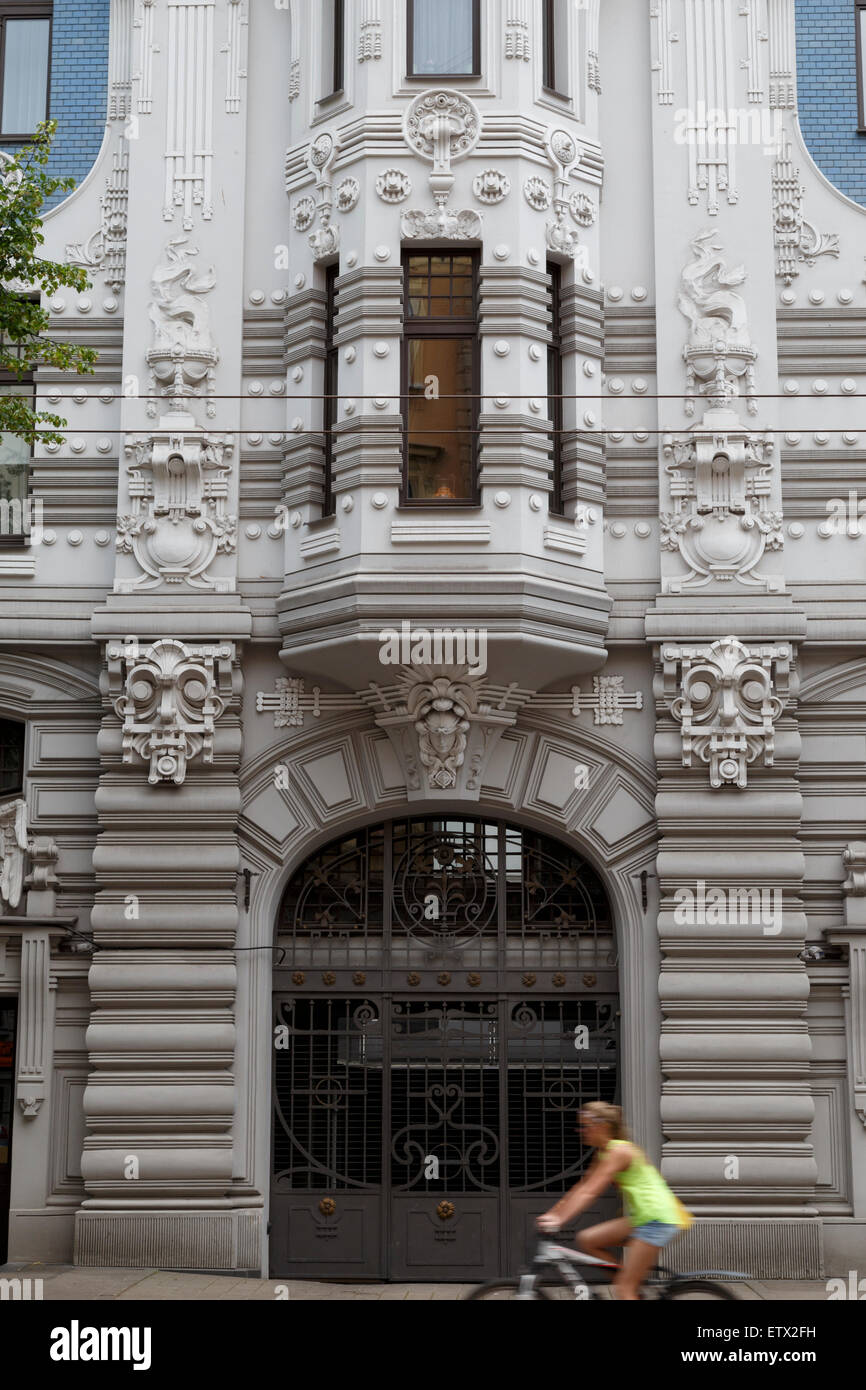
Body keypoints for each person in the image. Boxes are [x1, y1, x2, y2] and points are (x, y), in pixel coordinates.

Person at [536, 1101, 692, 1301]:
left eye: (585, 1126)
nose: (581, 1131)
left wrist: (559, 1220)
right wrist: (553, 1214)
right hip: (642, 1218)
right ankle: (631, 1285)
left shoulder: (620, 1152)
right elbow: (581, 1187)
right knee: (588, 1239)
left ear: (601, 1126)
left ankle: (628, 1288)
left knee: (623, 1290)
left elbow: (590, 1192)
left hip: (657, 1219)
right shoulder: (603, 1152)